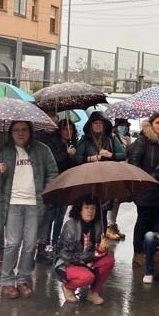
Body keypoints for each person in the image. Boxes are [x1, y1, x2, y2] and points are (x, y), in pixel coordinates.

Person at [0, 120, 58, 299]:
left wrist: (46, 192)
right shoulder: (5, 151)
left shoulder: (42, 149)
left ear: (30, 131)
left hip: (35, 205)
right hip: (13, 203)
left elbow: (53, 172)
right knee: (12, 244)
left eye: (24, 130)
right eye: (16, 130)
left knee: (30, 245)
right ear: (11, 132)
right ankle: (7, 282)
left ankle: (23, 279)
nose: (20, 133)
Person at [126, 112, 159, 262]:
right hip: (146, 191)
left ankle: (153, 252)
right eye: (157, 123)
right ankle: (138, 252)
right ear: (151, 124)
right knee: (143, 222)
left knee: (158, 225)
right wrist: (149, 177)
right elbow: (134, 163)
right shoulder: (143, 141)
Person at [76, 111, 126, 240]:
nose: (98, 125)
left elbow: (124, 154)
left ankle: (101, 240)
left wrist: (111, 155)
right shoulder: (85, 140)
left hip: (106, 180)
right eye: (95, 123)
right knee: (89, 210)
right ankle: (87, 241)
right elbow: (76, 158)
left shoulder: (111, 139)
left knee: (103, 211)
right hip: (89, 180)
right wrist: (89, 158)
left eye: (101, 123)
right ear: (90, 125)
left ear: (105, 125)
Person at [54, 195, 113, 305]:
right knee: (88, 277)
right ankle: (68, 287)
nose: (90, 211)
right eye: (86, 207)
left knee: (109, 261)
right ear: (79, 210)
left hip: (86, 261)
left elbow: (95, 252)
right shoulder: (70, 226)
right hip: (67, 264)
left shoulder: (97, 225)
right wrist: (87, 261)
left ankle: (93, 293)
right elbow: (66, 255)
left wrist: (101, 249)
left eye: (93, 208)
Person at [38, 117, 77, 262]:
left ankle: (55, 244)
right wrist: (67, 154)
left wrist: (73, 155)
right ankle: (46, 245)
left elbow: (74, 165)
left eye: (71, 130)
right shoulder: (54, 143)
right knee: (50, 216)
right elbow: (54, 162)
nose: (68, 132)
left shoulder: (73, 144)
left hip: (67, 184)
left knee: (60, 216)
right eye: (65, 129)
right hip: (55, 183)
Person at [105, 117, 132, 235]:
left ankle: (113, 224)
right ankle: (109, 225)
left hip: (124, 172)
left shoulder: (127, 138)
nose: (124, 128)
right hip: (114, 173)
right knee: (112, 200)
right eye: (122, 125)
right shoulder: (113, 138)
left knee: (117, 201)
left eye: (126, 126)